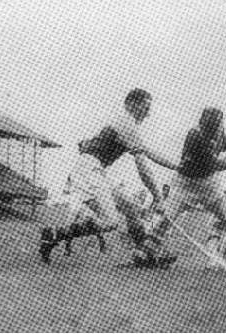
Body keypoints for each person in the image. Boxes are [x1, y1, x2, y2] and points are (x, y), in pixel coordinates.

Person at [147, 54, 226, 272]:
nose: (214, 133)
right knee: (166, 218)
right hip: (184, 183)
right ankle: (146, 253)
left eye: (216, 128)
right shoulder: (196, 136)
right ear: (203, 125)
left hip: (209, 185)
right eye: (211, 129)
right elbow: (221, 163)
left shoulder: (216, 130)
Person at [39, 88, 176, 267]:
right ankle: (55, 234)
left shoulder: (126, 124)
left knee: (130, 208)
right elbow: (143, 168)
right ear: (132, 104)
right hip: (89, 171)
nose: (148, 114)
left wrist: (177, 167)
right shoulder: (127, 124)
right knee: (110, 222)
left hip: (95, 170)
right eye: (146, 107)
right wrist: (157, 196)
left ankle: (144, 255)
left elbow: (149, 153)